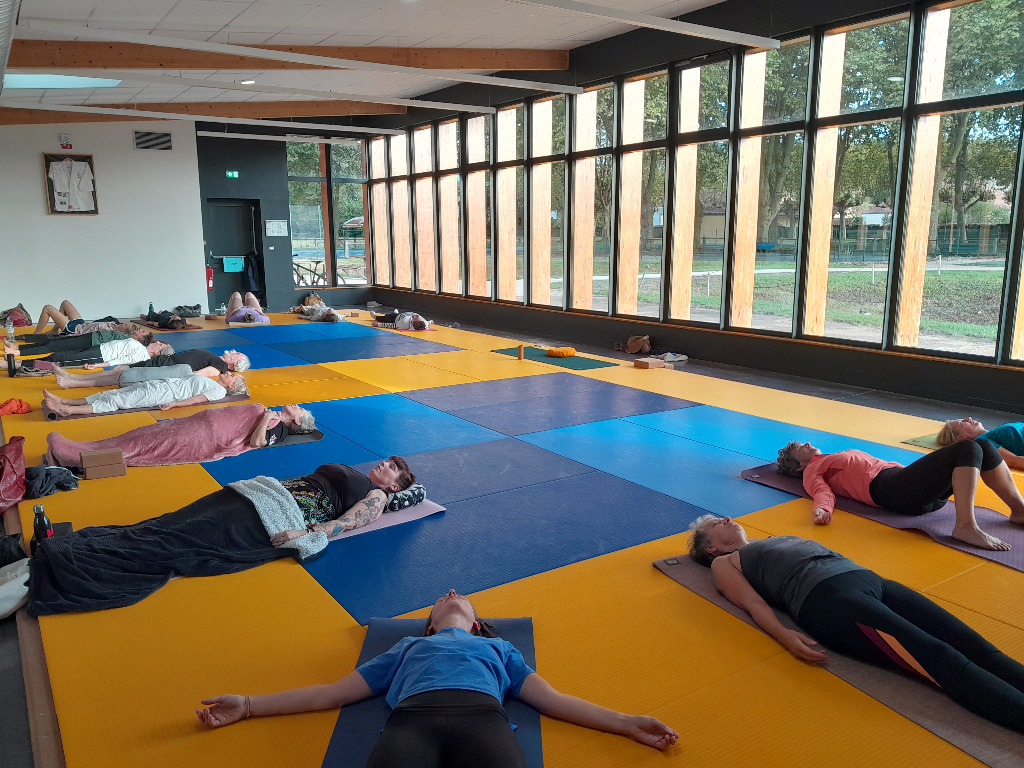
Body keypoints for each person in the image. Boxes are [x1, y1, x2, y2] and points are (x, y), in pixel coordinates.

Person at [195, 589, 679, 765]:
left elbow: (553, 700)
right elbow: (329, 694)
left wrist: (625, 722)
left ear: (474, 623)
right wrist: (250, 704)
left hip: (482, 719)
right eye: (444, 596)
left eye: (462, 596)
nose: (451, 591)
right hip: (411, 723)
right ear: (431, 623)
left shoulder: (498, 648)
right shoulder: (407, 647)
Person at [688, 514, 1024, 733]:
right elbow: (752, 602)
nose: (728, 518)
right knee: (936, 655)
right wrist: (783, 635)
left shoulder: (773, 539)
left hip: (868, 579)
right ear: (712, 546)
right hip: (828, 600)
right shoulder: (725, 563)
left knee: (970, 640)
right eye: (717, 522)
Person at [27, 458, 416, 616]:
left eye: (394, 469)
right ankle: (66, 551)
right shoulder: (357, 471)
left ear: (395, 487)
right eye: (389, 460)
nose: (386, 464)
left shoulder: (377, 496)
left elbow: (351, 522)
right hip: (260, 492)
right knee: (163, 525)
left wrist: (309, 531)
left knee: (173, 541)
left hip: (278, 514)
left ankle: (63, 564)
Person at [775, 439, 1024, 550]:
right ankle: (965, 526)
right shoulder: (812, 470)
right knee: (968, 447)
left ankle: (1019, 511)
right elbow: (821, 492)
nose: (807, 444)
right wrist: (823, 510)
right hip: (891, 489)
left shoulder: (827, 457)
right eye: (800, 448)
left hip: (907, 484)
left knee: (984, 446)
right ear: (798, 466)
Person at [46, 403, 316, 468]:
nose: (297, 404)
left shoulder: (278, 429)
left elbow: (257, 442)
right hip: (195, 426)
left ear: (296, 420)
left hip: (202, 439)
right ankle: (82, 446)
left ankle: (76, 457)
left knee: (142, 446)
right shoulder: (273, 416)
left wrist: (266, 419)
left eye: (301, 409)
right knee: (141, 433)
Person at [42, 371, 247, 416]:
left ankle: (67, 409)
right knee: (111, 393)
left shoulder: (218, 391)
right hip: (159, 384)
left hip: (163, 394)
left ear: (231, 387)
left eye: (233, 377)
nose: (229, 373)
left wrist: (174, 405)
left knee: (117, 400)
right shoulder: (212, 381)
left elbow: (197, 399)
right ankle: (66, 399)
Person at [51, 348, 250, 388]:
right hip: (165, 361)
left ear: (235, 364)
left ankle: (73, 382)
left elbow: (196, 375)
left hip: (167, 367)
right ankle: (73, 377)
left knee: (122, 373)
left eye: (236, 354)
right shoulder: (218, 360)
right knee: (121, 367)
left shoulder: (220, 367)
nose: (232, 350)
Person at [5, 335, 170, 372]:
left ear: (157, 352)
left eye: (160, 344)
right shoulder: (140, 346)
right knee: (58, 353)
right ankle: (20, 362)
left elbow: (119, 361)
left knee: (59, 360)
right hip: (98, 349)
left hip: (99, 357)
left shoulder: (142, 355)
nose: (157, 342)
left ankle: (20, 365)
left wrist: (97, 365)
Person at [937, 417, 1024, 471]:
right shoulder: (983, 441)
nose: (969, 418)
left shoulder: (993, 433)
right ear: (962, 437)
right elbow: (1014, 460)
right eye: (963, 422)